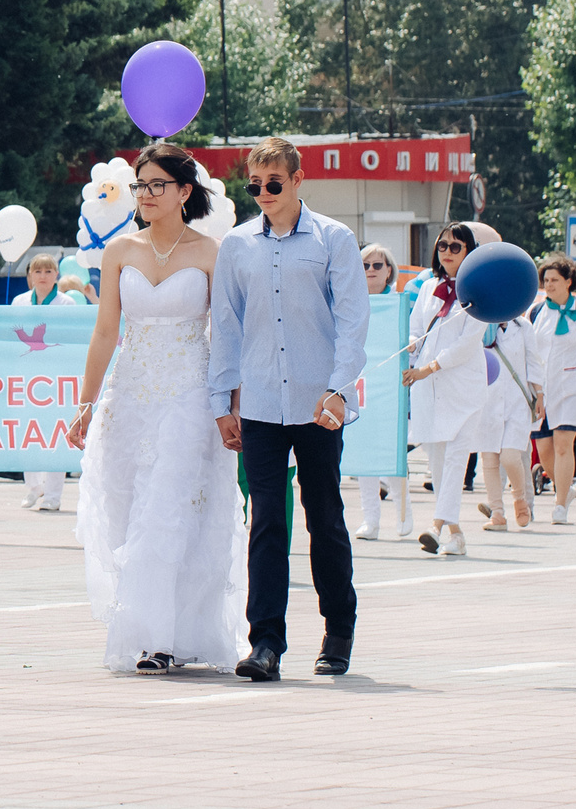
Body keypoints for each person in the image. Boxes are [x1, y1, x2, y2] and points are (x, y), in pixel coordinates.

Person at [68, 141, 243, 674]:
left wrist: (229, 404)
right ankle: (153, 626)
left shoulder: (213, 253)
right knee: (127, 509)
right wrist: (86, 402)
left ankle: (161, 641)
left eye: (156, 185)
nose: (145, 194)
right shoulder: (120, 251)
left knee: (168, 509)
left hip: (191, 391)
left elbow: (228, 336)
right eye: (141, 186)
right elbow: (104, 333)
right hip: (131, 392)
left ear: (184, 191)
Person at [210, 136, 369, 679]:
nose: (264, 194)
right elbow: (225, 325)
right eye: (254, 185)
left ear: (299, 181)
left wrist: (339, 387)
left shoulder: (334, 239)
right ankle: (266, 644)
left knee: (324, 517)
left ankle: (339, 628)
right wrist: (221, 399)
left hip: (317, 401)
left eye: (274, 184)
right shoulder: (236, 245)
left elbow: (352, 320)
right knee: (266, 523)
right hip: (257, 402)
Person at [403, 223, 486, 559]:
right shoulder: (428, 288)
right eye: (443, 246)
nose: (448, 253)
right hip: (428, 389)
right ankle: (457, 534)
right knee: (437, 463)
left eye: (456, 247)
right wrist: (411, 350)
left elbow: (468, 343)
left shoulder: (479, 291)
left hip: (462, 389)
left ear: (469, 251)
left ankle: (435, 527)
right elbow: (415, 329)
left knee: (454, 460)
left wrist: (430, 367)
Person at [530, 254, 576, 523]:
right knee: (544, 448)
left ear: (568, 282)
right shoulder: (536, 312)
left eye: (554, 280)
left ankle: (560, 505)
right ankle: (565, 488)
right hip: (541, 389)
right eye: (546, 280)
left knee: (563, 444)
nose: (548, 285)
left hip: (571, 387)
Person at [12, 253, 87, 511]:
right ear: (30, 275)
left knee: (56, 435)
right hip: (27, 377)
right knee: (27, 433)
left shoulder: (67, 303)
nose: (43, 276)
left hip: (56, 378)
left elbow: (71, 338)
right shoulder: (19, 301)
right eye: (38, 271)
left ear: (57, 275)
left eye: (48, 271)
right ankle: (33, 487)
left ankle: (54, 496)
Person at [475, 298, 538, 532]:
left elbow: (534, 360)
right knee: (490, 460)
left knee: (511, 457)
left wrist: (538, 393)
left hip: (517, 402)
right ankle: (497, 514)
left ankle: (520, 498)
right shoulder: (479, 326)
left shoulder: (523, 328)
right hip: (487, 401)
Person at [353, 244, 400, 540]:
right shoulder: (350, 302)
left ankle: (403, 514)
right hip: (361, 387)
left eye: (377, 265)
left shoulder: (400, 303)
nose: (371, 270)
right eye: (365, 265)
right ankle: (371, 519)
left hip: (392, 388)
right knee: (364, 454)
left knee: (393, 454)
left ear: (389, 271)